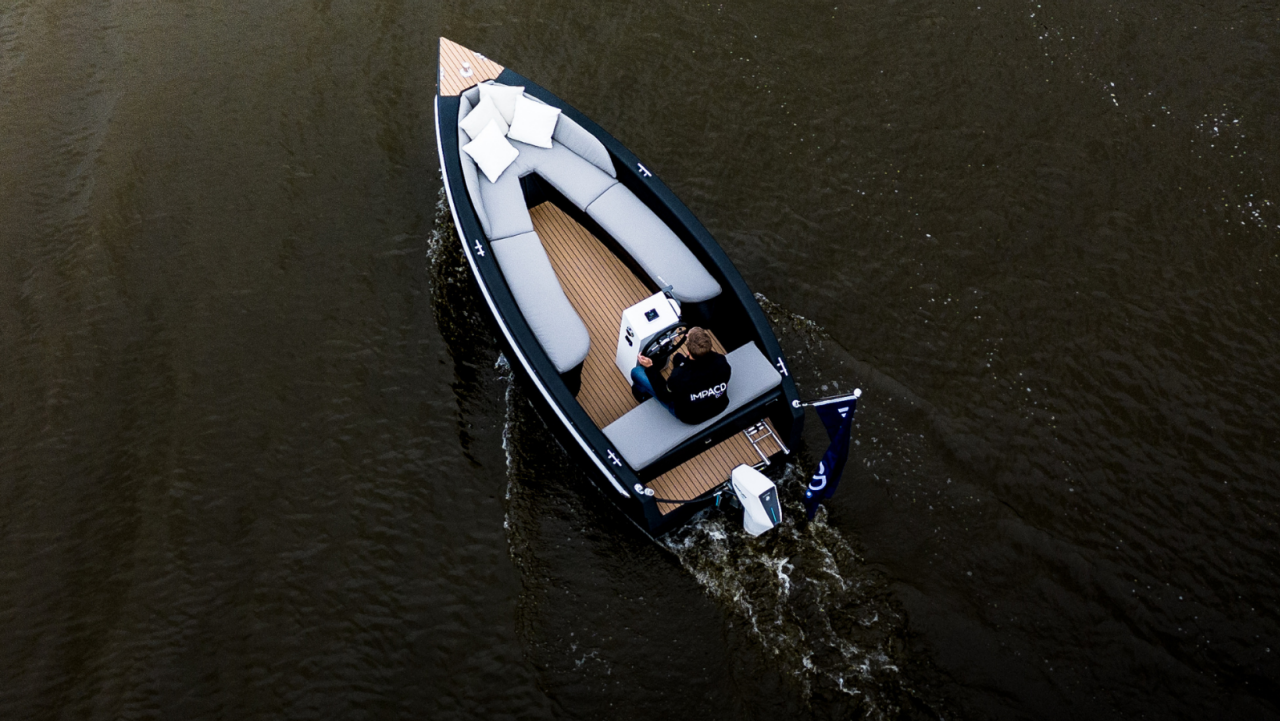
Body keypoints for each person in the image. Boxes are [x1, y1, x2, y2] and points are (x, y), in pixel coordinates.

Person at [630, 326, 731, 424]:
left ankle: (642, 395)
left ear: (688, 351)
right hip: (719, 406)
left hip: (690, 416)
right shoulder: (721, 362)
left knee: (636, 372)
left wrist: (650, 367)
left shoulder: (679, 377)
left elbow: (664, 395)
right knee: (678, 357)